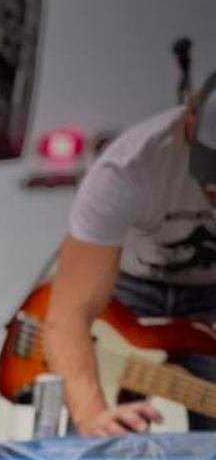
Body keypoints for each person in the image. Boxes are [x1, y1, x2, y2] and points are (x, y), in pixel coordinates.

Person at [45, 76, 216, 434]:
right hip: (129, 289)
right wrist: (92, 415)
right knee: (98, 431)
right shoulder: (128, 169)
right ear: (188, 126)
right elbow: (68, 315)